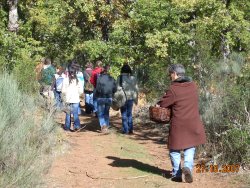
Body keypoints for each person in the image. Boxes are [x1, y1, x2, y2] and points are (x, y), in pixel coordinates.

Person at [157, 64, 206, 183]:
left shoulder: (173, 89)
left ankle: (177, 173)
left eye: (170, 75)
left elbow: (163, 104)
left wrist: (159, 102)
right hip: (193, 122)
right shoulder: (193, 86)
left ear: (175, 73)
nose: (170, 77)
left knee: (174, 148)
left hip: (179, 123)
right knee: (190, 146)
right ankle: (188, 168)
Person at [117, 64, 138, 134]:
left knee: (124, 114)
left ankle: (125, 130)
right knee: (129, 114)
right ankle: (131, 129)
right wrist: (136, 99)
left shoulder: (119, 78)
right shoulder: (133, 78)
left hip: (122, 98)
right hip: (131, 98)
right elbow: (136, 89)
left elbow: (117, 88)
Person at [95, 65, 117, 133]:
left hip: (101, 97)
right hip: (109, 97)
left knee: (100, 113)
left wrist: (97, 95)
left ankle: (103, 125)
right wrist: (111, 93)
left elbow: (97, 89)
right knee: (106, 112)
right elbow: (115, 89)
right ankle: (106, 126)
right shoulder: (112, 78)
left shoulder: (99, 78)